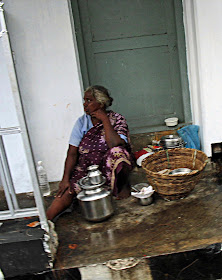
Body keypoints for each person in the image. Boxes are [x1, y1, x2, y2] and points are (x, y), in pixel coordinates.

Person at [47, 85, 133, 221]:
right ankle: (45, 221)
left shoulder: (117, 119)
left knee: (118, 153)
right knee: (67, 190)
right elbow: (72, 153)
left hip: (109, 168)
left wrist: (105, 120)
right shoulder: (82, 122)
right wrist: (65, 179)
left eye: (89, 100)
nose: (84, 104)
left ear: (101, 103)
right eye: (84, 100)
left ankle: (120, 187)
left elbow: (114, 144)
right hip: (87, 170)